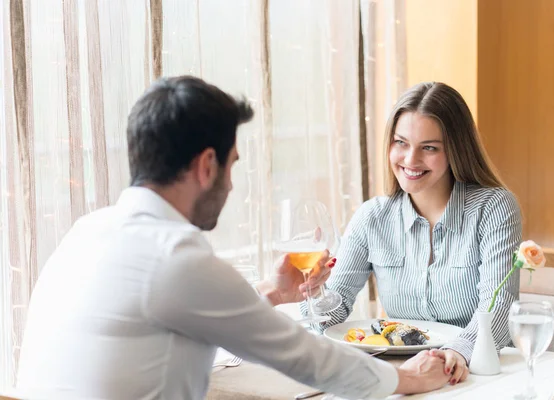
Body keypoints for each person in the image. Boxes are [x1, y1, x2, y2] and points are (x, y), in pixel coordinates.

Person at [16, 76, 451, 400]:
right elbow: (306, 357)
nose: (231, 185)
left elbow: (201, 317)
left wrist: (271, 292)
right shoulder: (176, 257)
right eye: (232, 165)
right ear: (207, 165)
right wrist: (409, 379)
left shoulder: (85, 232)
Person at [315, 82, 522, 385]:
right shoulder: (372, 217)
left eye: (429, 148)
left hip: (479, 374)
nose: (410, 160)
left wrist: (457, 352)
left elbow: (499, 304)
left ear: (455, 150)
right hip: (407, 376)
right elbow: (332, 313)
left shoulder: (494, 207)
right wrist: (312, 290)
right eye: (401, 142)